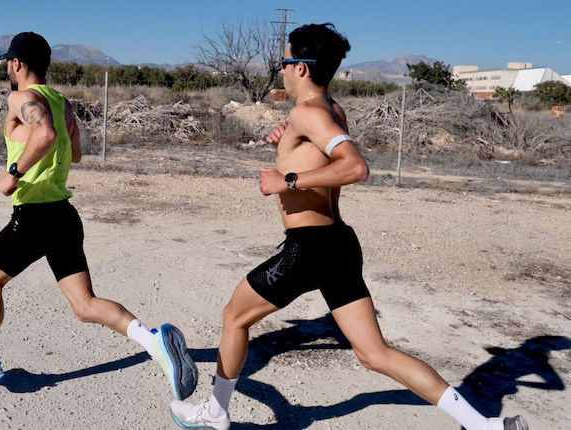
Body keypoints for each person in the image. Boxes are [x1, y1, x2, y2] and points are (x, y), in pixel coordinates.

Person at [169, 24, 528, 430]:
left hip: (309, 247)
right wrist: (287, 145)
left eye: (285, 62)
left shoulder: (308, 112)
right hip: (339, 243)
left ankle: (215, 413)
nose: (281, 70)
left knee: (234, 317)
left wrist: (285, 180)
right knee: (374, 354)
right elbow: (323, 154)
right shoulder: (331, 109)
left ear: (302, 68)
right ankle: (484, 426)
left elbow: (355, 167)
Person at [0, 32, 197, 402]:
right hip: (64, 217)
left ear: (17, 64)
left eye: (9, 62)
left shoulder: (21, 97)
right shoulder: (64, 103)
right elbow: (77, 152)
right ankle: (154, 344)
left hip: (34, 217)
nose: (8, 68)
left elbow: (46, 134)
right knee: (85, 306)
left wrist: (14, 173)